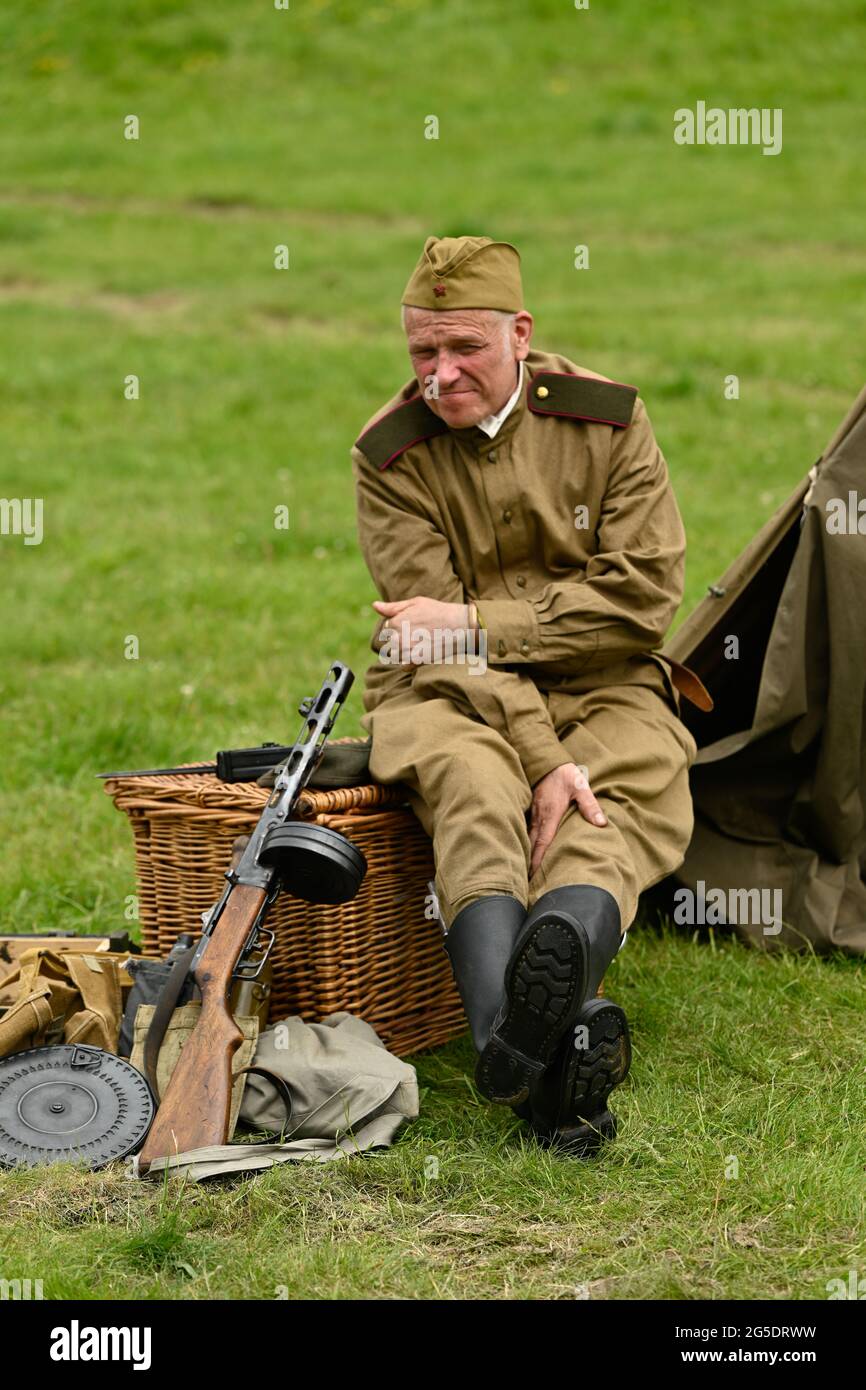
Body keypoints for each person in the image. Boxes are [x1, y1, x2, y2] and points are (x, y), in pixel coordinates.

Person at [350, 234, 701, 1155]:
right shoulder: (390, 456)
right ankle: (538, 1048)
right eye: (423, 352)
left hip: (603, 678)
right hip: (443, 690)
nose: (441, 373)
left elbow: (639, 604)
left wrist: (473, 621)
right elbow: (429, 646)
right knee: (471, 784)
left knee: (612, 795)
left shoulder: (609, 423)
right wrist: (542, 758)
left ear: (521, 333)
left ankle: (520, 1050)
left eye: (465, 348)